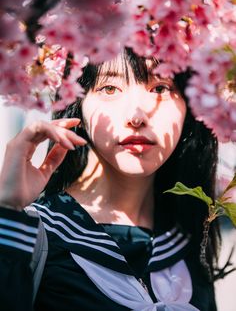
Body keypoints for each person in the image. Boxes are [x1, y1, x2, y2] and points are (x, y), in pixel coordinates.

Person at [0, 48, 219, 311]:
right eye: (110, 89)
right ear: (77, 101)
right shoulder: (34, 236)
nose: (136, 117)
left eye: (160, 88)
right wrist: (7, 213)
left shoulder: (188, 237)